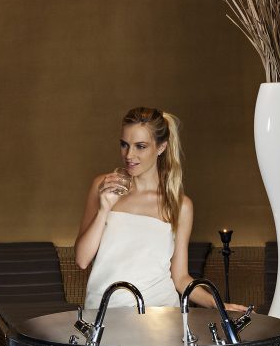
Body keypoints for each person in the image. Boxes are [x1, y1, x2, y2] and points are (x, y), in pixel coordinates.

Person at [74, 106, 245, 311]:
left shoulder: (180, 206)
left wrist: (218, 305)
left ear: (161, 147)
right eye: (124, 145)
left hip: (160, 315)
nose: (129, 155)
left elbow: (180, 278)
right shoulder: (103, 186)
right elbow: (82, 260)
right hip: (104, 312)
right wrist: (103, 210)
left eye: (141, 146)